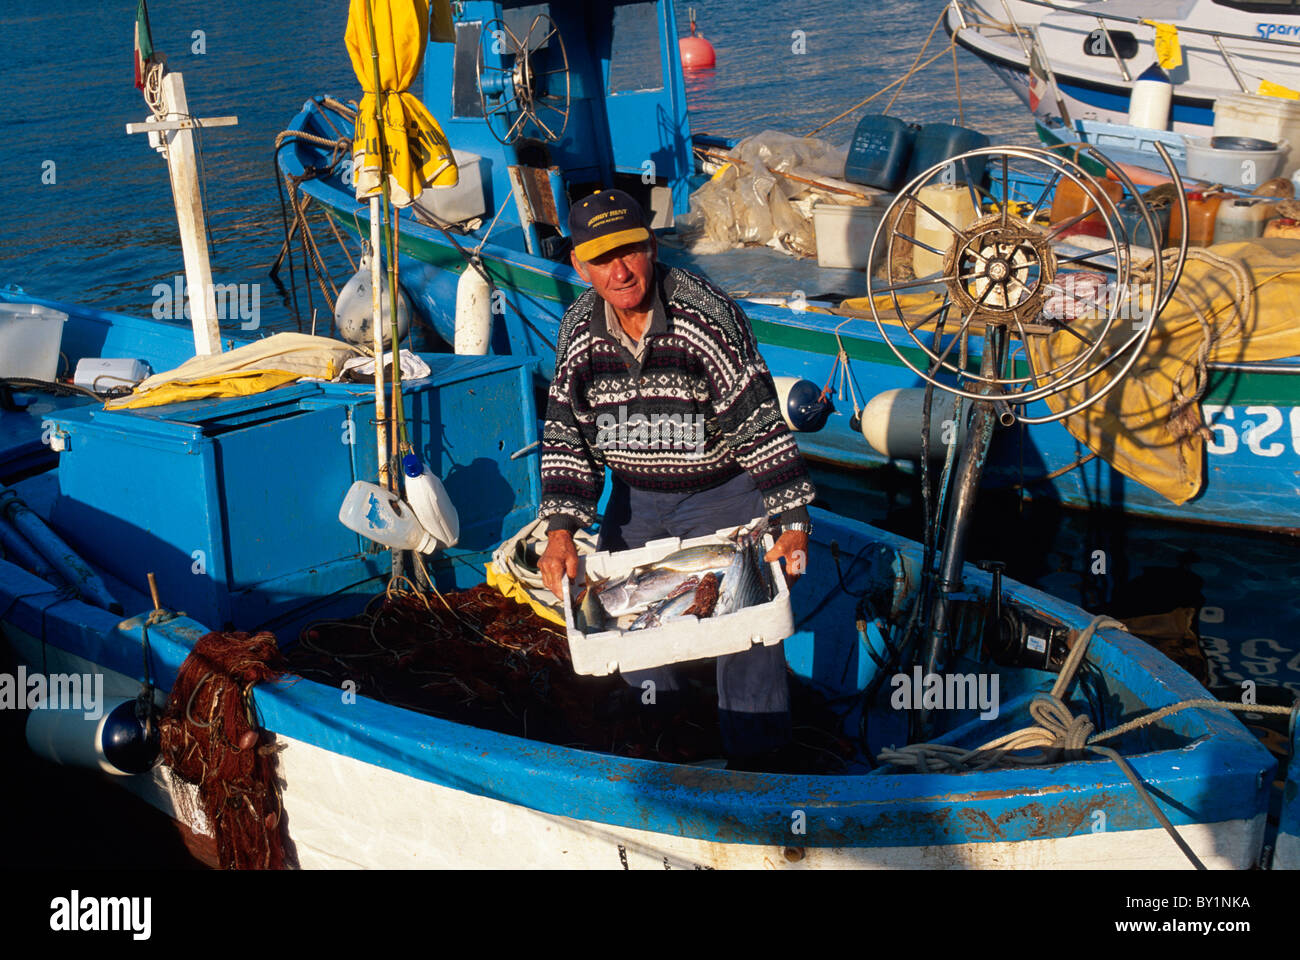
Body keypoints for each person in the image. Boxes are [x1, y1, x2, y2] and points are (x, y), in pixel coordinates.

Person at [537, 188, 816, 765]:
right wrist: (560, 530)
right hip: (636, 499)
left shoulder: (705, 318)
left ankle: (759, 763)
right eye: (602, 259)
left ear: (652, 248)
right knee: (626, 625)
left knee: (748, 626)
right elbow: (568, 437)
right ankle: (664, 738)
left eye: (630, 252)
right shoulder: (578, 331)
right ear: (579, 266)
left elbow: (759, 423)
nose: (620, 272)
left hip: (722, 493)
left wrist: (791, 519)